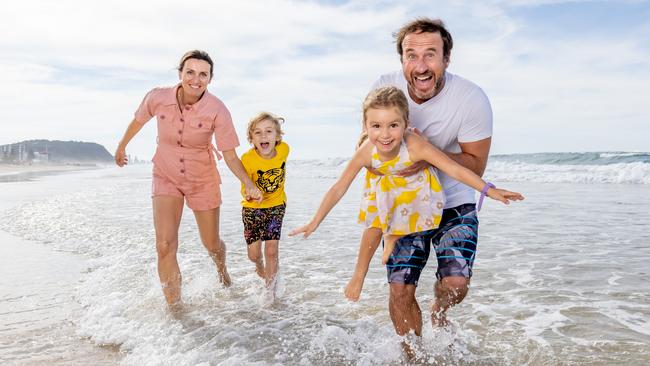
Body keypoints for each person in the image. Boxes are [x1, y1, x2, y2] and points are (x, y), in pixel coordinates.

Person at [289, 85, 522, 308]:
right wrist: (314, 221)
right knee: (374, 223)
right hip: (385, 194)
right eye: (376, 126)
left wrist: (488, 190)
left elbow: (454, 169)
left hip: (418, 195)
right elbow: (339, 187)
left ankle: (393, 235)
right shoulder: (366, 151)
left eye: (393, 125)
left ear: (406, 124)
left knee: (398, 203)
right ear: (365, 126)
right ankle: (359, 275)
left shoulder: (414, 145)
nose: (385, 134)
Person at [345, 17, 500, 340]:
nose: (420, 65)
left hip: (454, 200)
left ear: (446, 59)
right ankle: (413, 358)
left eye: (430, 54)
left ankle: (439, 310)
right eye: (411, 55)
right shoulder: (384, 87)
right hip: (405, 203)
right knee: (400, 289)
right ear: (401, 59)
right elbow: (366, 141)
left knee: (456, 285)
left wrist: (426, 153)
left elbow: (475, 165)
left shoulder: (471, 98)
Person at [114, 50, 262, 307]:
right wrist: (121, 146)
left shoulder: (218, 110)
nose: (196, 79)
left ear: (210, 79)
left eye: (203, 74)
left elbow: (230, 155)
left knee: (211, 242)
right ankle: (176, 310)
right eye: (190, 72)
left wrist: (247, 183)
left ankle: (222, 270)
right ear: (180, 73)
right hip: (166, 174)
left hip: (202, 178)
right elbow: (137, 121)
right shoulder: (157, 97)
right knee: (164, 244)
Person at [240, 112, 289, 296]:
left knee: (271, 250)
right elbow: (245, 186)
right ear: (251, 139)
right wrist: (252, 194)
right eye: (258, 133)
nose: (264, 136)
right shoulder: (248, 159)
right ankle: (259, 265)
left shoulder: (284, 149)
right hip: (252, 209)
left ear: (277, 136)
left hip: (277, 206)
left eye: (269, 131)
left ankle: (271, 293)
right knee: (254, 254)